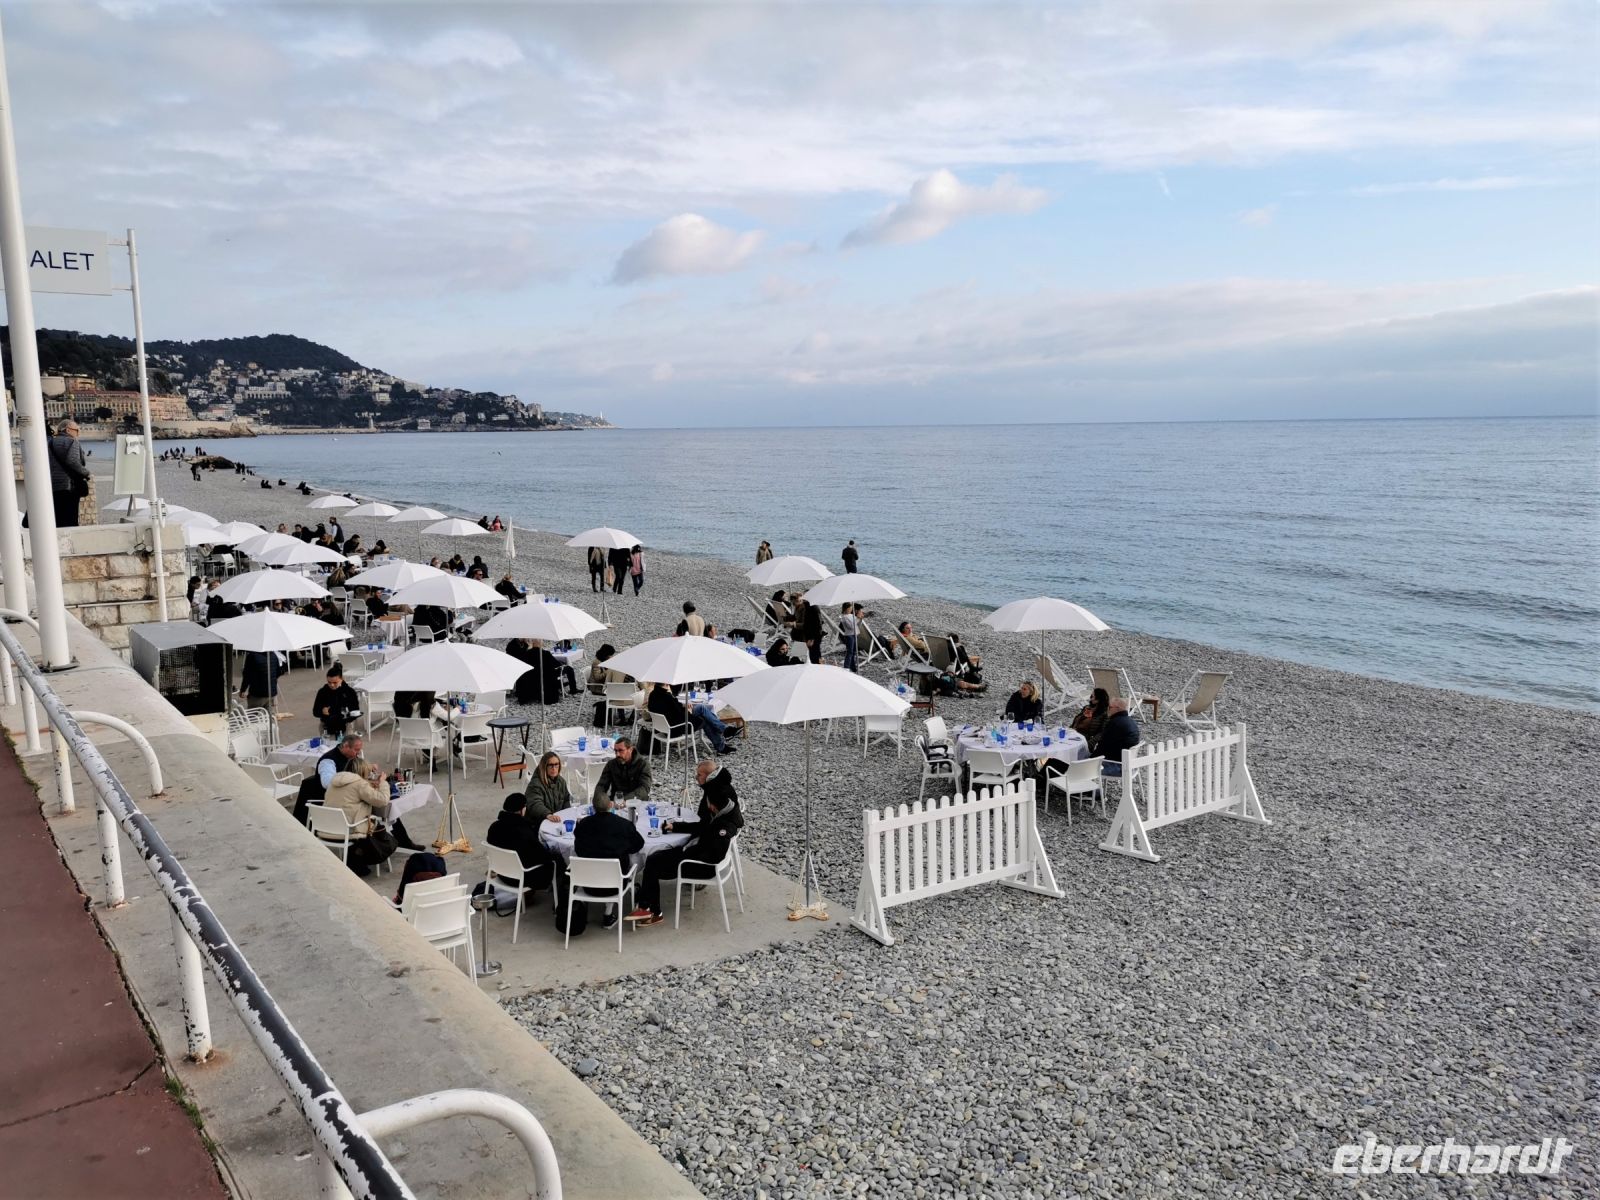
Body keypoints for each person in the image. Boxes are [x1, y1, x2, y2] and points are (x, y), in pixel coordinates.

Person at [628, 758, 743, 926]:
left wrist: (685, 852)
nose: (707, 807)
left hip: (701, 865)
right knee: (656, 858)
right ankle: (646, 899)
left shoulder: (722, 827)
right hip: (699, 852)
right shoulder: (723, 808)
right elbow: (704, 827)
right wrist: (676, 827)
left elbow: (713, 853)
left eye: (709, 805)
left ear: (715, 807)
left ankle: (652, 912)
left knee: (653, 862)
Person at [561, 791, 644, 934]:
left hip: (587, 884)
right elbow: (638, 845)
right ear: (610, 805)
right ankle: (608, 914)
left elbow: (578, 848)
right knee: (627, 861)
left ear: (593, 807)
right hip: (616, 885)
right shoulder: (624, 825)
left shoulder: (583, 825)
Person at [325, 763, 398, 876]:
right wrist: (383, 782)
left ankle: (354, 859)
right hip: (349, 830)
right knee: (381, 828)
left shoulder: (334, 782)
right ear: (361, 772)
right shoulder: (359, 784)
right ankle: (360, 859)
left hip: (327, 827)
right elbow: (382, 800)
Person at [485, 793, 556, 887]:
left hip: (502, 874)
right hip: (521, 878)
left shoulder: (494, 827)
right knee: (557, 861)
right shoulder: (524, 831)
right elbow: (542, 856)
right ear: (522, 810)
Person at [647, 681, 736, 755]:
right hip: (676, 727)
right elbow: (679, 713)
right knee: (704, 719)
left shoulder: (653, 695)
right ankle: (722, 744)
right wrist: (688, 711)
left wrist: (683, 706)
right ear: (666, 683)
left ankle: (724, 732)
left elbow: (672, 709)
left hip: (664, 726)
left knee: (701, 708)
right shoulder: (667, 697)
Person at [47, 420, 91, 527]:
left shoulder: (50, 442)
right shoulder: (72, 442)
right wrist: (86, 473)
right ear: (67, 430)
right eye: (76, 430)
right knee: (70, 519)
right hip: (69, 486)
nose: (78, 433)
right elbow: (73, 461)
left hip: (52, 485)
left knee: (57, 518)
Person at [595, 737, 651, 805]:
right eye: (615, 751)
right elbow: (601, 785)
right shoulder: (611, 764)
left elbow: (645, 788)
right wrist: (599, 800)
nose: (617, 754)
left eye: (621, 750)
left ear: (630, 750)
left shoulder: (643, 764)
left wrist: (625, 800)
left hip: (637, 803)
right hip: (616, 803)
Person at [1094, 698, 1141, 778]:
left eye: (1109, 707)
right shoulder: (1130, 721)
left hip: (1117, 766)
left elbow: (1103, 746)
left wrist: (1089, 759)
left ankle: (1085, 786)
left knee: (1081, 769)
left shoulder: (1115, 723)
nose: (1107, 709)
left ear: (1117, 709)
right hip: (1129, 764)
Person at [523, 752, 573, 823]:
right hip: (538, 822)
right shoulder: (535, 784)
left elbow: (566, 799)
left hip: (556, 820)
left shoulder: (561, 781)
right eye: (550, 765)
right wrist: (548, 815)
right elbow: (535, 803)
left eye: (556, 765)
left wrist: (567, 814)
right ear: (544, 766)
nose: (554, 768)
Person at [313, 666, 363, 737]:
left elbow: (356, 711)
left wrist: (347, 715)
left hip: (346, 725)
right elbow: (315, 712)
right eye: (329, 682)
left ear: (341, 679)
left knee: (347, 742)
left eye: (335, 682)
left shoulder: (350, 692)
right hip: (327, 726)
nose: (332, 685)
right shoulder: (322, 692)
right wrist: (322, 711)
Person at [240, 649, 285, 715]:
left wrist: (243, 690)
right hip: (271, 692)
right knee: (269, 716)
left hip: (257, 693)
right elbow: (278, 672)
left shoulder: (252, 656)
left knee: (252, 716)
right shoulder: (273, 655)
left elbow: (247, 676)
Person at [792, 597, 823, 665]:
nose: (803, 599)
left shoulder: (813, 608)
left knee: (815, 656)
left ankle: (817, 668)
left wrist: (811, 638)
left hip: (813, 637)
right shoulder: (807, 606)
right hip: (810, 635)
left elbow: (817, 624)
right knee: (813, 655)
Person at [839, 603, 859, 672]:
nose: (851, 610)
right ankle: (846, 667)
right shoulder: (844, 617)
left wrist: (860, 618)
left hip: (855, 634)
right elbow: (851, 627)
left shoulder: (852, 615)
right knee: (850, 652)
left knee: (853, 652)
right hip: (849, 636)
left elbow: (857, 624)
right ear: (846, 609)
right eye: (850, 608)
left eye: (851, 608)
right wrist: (857, 619)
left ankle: (852, 667)